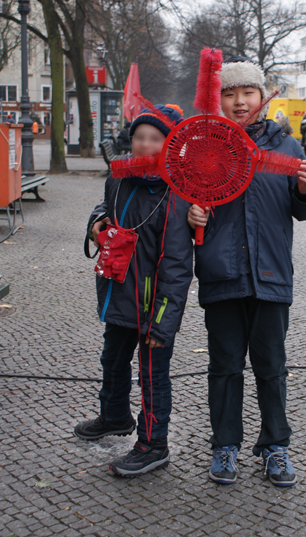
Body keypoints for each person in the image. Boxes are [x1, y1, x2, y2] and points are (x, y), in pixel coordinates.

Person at [187, 56, 306, 488]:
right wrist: (191, 216)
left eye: (247, 92)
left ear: (262, 97)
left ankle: (275, 447)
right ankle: (224, 445)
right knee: (225, 367)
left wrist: (305, 189)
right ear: (219, 99)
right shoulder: (204, 147)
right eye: (229, 93)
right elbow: (180, 202)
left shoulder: (287, 147)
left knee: (272, 367)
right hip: (222, 276)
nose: (239, 101)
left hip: (270, 275)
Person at [75, 104, 193, 477]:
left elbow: (177, 265)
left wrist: (162, 323)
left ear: (169, 145)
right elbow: (103, 208)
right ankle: (113, 416)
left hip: (151, 303)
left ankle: (153, 444)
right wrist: (96, 224)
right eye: (140, 137)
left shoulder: (176, 192)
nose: (144, 145)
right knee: (112, 358)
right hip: (118, 289)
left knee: (152, 375)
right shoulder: (119, 176)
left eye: (154, 139)